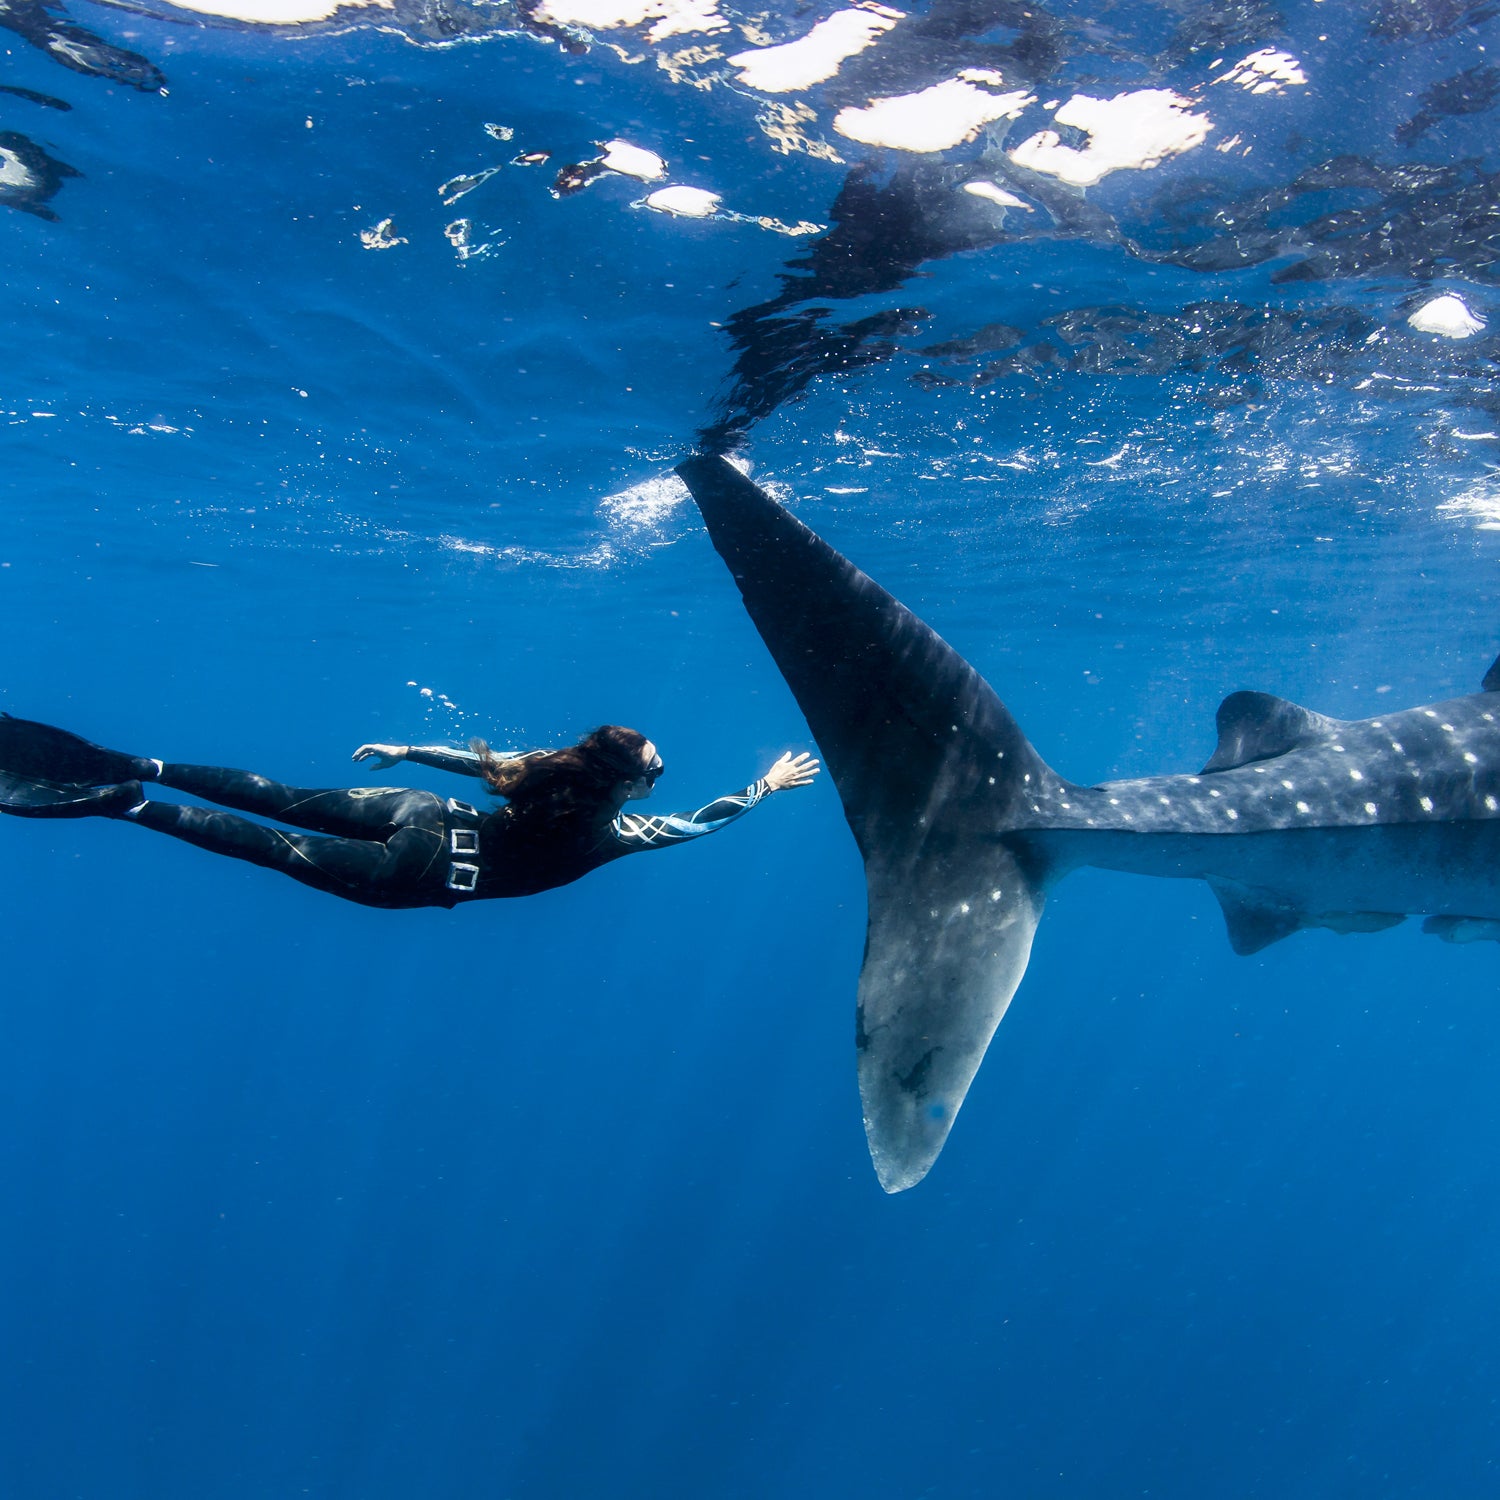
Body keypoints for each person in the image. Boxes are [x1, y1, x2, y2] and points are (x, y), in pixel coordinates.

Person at [0, 714, 819, 909]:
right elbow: (700, 821)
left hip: (431, 812)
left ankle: (143, 763)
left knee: (282, 796)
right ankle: (130, 803)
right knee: (273, 844)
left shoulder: (543, 772)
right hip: (431, 870)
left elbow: (480, 763)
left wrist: (403, 752)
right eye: (657, 770)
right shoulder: (616, 830)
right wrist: (762, 791)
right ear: (634, 785)